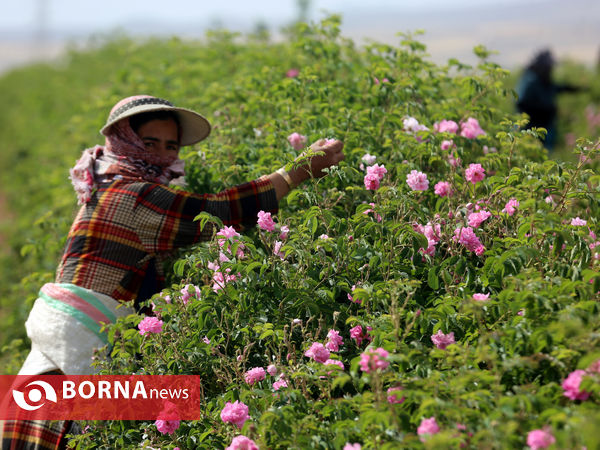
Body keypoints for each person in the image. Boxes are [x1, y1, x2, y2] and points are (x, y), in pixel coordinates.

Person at [1, 95, 345, 449]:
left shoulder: (106, 185)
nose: (161, 155)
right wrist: (297, 172)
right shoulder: (135, 195)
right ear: (124, 141)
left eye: (170, 145)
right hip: (78, 346)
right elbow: (218, 210)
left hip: (73, 342)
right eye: (149, 143)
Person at [516, 49, 580, 151]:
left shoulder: (542, 79)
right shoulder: (531, 80)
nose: (550, 69)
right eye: (548, 67)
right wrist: (545, 110)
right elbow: (521, 103)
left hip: (546, 126)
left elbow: (553, 87)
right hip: (532, 128)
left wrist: (572, 88)